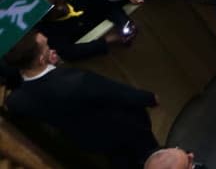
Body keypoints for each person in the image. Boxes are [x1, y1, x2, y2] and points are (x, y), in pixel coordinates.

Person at [5, 31, 159, 168]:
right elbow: (118, 93)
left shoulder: (15, 101)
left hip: (90, 142)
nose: (51, 48)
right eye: (47, 47)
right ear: (41, 60)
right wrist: (149, 98)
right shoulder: (75, 80)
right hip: (126, 130)